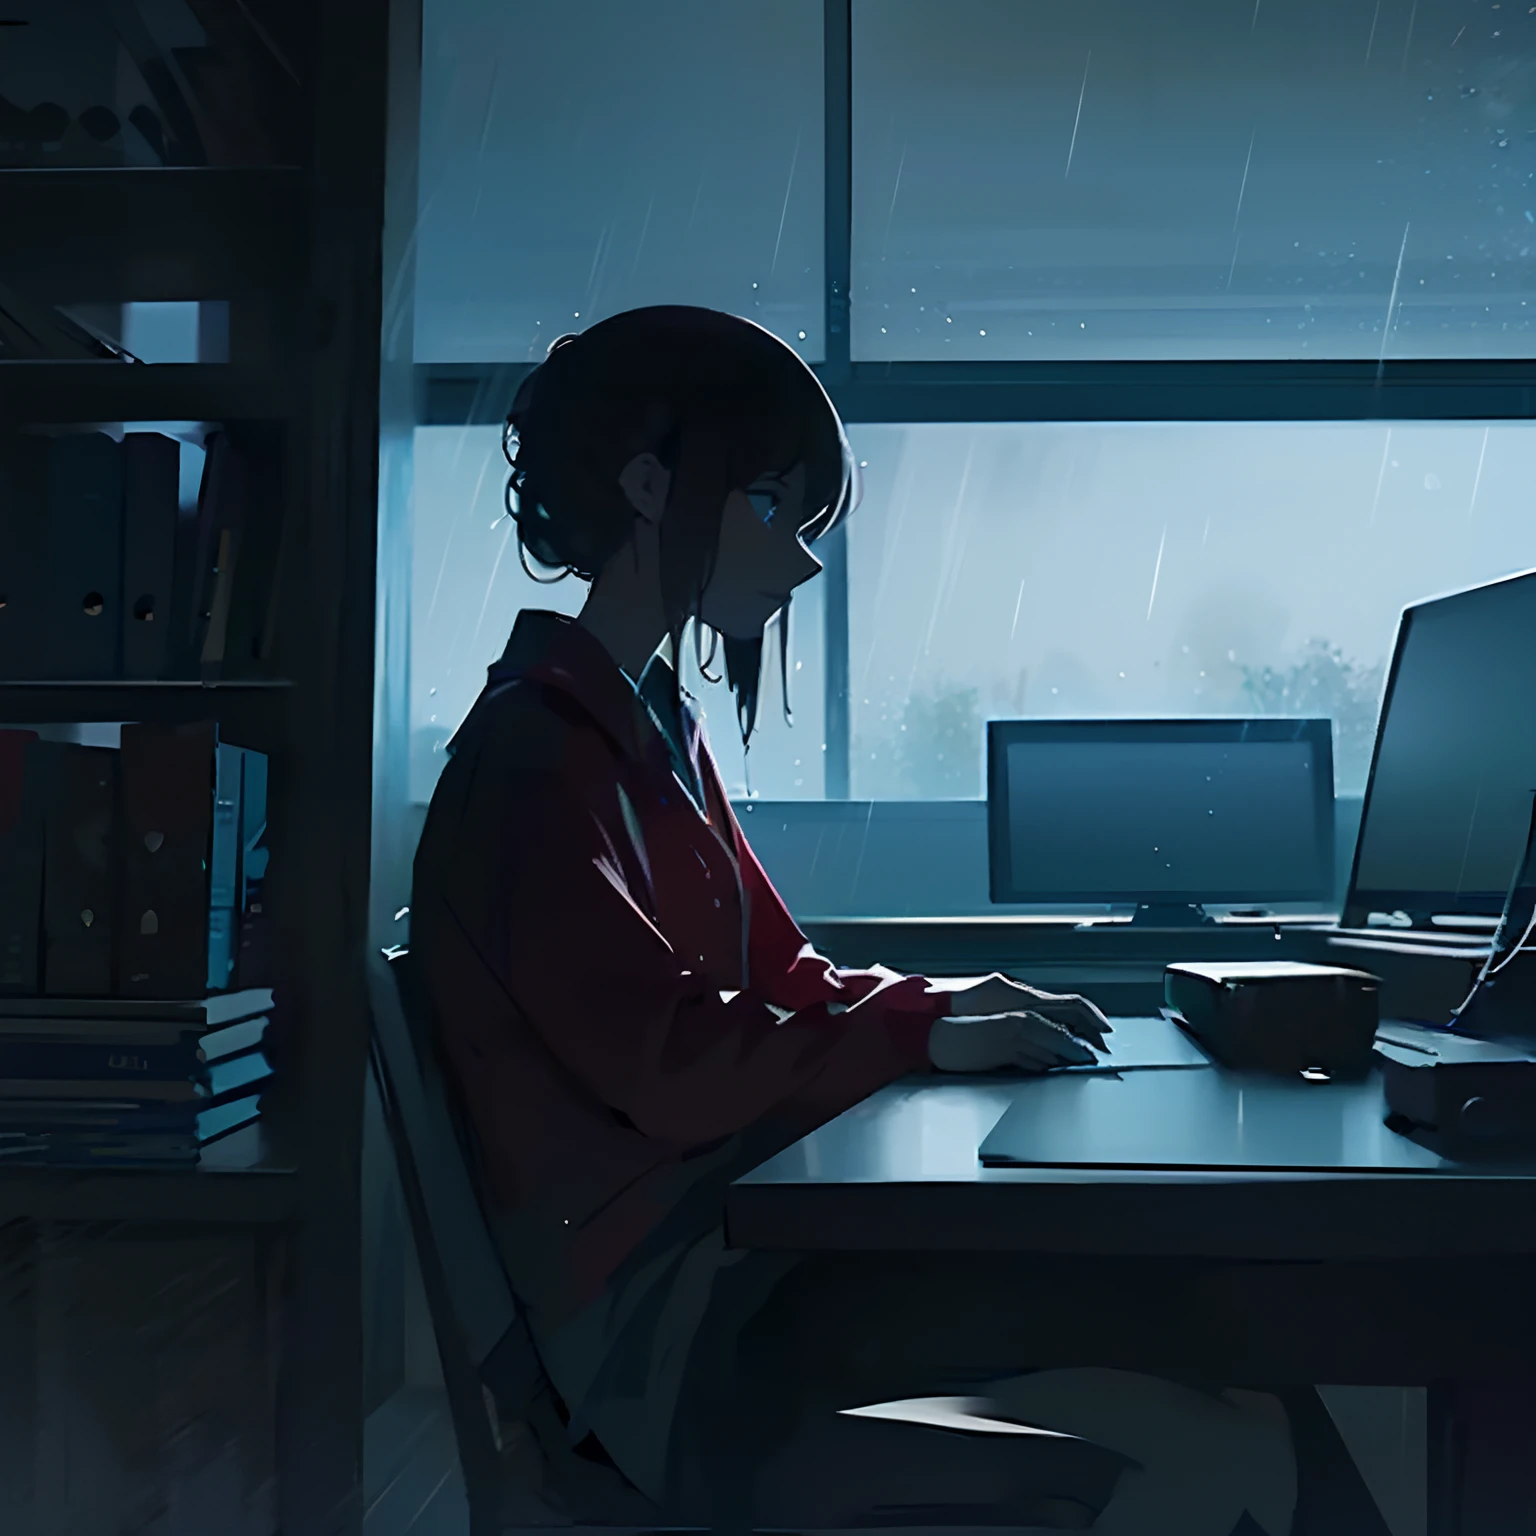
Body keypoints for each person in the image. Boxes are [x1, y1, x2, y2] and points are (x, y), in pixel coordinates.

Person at [410, 306, 1389, 1535]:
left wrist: (944, 1006)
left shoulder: (643, 727)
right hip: (674, 1343)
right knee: (1185, 1328)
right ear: (650, 485)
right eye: (772, 506)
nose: (805, 560)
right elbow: (669, 1064)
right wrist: (917, 1037)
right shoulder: (535, 759)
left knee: (1195, 1319)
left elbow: (787, 974)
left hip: (726, 1271)